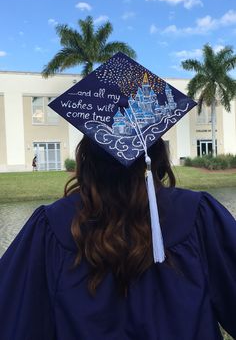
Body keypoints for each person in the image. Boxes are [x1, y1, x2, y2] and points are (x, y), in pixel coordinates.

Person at [0, 52, 235, 340]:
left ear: (85, 156)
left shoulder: (52, 226)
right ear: (158, 153)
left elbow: (15, 320)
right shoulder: (198, 215)